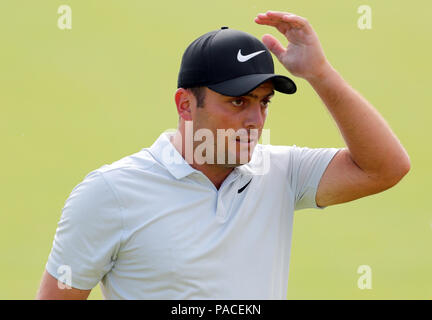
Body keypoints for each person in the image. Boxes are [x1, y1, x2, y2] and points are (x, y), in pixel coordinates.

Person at [36, 11, 410, 300]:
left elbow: (385, 168)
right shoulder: (109, 193)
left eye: (264, 103)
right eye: (237, 102)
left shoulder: (281, 172)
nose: (255, 120)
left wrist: (321, 74)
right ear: (185, 104)